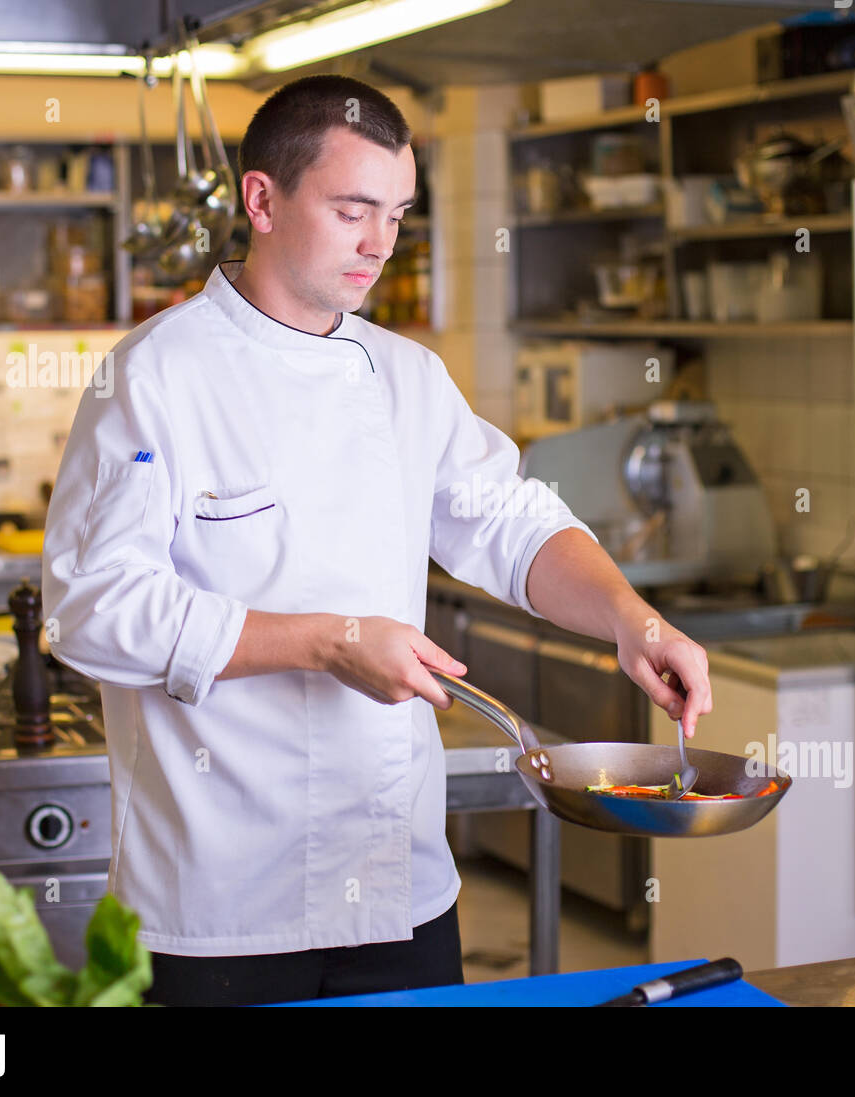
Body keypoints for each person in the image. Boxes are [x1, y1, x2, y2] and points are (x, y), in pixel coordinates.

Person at [41, 73, 712, 1006]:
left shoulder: (407, 377)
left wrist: (629, 618)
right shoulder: (156, 376)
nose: (380, 243)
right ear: (262, 199)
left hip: (400, 892)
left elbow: (514, 523)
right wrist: (328, 641)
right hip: (220, 905)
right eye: (354, 209)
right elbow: (91, 610)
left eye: (396, 214)